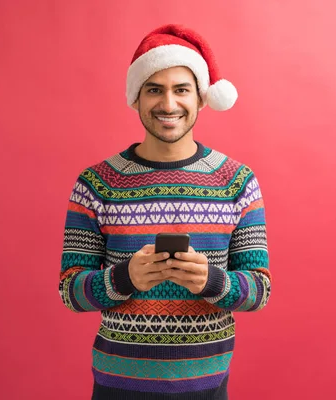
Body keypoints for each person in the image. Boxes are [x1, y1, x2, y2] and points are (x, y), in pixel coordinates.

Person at [58, 24, 272, 400]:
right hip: (117, 386)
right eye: (154, 89)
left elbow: (259, 290)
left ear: (202, 98)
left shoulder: (237, 181)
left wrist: (212, 280)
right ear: (136, 98)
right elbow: (70, 291)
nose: (168, 105)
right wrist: (125, 278)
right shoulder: (96, 183)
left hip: (207, 386)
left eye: (181, 90)